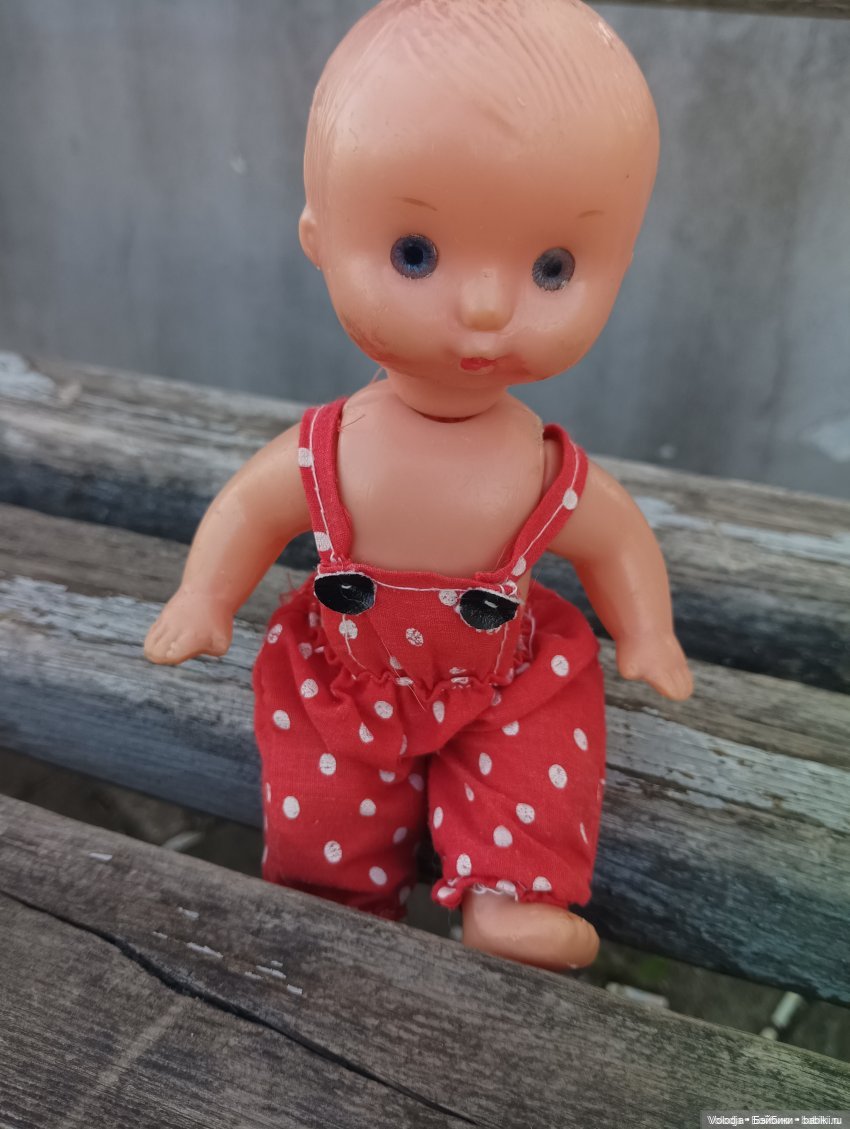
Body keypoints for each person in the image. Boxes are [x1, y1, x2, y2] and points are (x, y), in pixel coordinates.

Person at [145, 0, 693, 971]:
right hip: (344, 680)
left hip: (504, 683)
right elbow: (251, 506)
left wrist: (646, 630)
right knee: (322, 807)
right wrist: (203, 596)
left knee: (539, 759)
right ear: (319, 235)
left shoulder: (538, 467)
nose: (483, 308)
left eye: (552, 266)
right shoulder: (330, 450)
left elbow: (612, 537)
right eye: (416, 254)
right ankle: (339, 898)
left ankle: (510, 897)